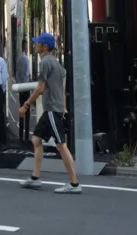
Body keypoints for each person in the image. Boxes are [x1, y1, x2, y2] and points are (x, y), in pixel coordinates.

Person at [18, 33, 81, 194]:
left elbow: (40, 88)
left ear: (44, 47)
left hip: (52, 109)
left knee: (60, 145)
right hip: (52, 109)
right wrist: (64, 106)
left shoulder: (45, 62)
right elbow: (62, 84)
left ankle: (74, 184)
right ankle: (35, 178)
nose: (35, 45)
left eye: (37, 43)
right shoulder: (57, 63)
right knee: (36, 139)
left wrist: (26, 105)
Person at [16, 39, 32, 142]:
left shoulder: (19, 59)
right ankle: (26, 136)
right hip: (26, 88)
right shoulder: (26, 59)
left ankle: (21, 135)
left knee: (22, 110)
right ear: (26, 48)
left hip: (21, 88)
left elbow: (17, 74)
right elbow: (26, 74)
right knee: (27, 112)